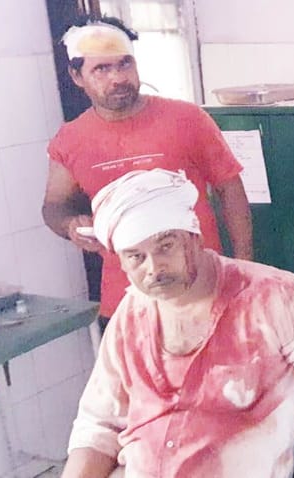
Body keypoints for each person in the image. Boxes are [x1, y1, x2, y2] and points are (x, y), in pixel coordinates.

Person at [61, 168, 294, 478]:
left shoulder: (275, 298)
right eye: (136, 257)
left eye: (166, 246)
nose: (154, 268)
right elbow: (98, 426)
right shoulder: (130, 316)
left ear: (194, 238)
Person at [42, 16, 252, 331]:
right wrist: (69, 225)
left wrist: (244, 268)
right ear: (76, 76)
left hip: (202, 291)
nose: (118, 78)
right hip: (125, 303)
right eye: (101, 69)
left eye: (124, 64)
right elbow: (54, 206)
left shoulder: (187, 119)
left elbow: (230, 189)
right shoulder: (70, 139)